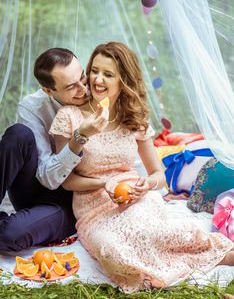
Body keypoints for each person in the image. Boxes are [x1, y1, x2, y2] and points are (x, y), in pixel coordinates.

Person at [49, 41, 234, 293]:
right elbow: (66, 180)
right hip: (92, 206)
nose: (97, 79)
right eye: (94, 70)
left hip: (134, 197)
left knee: (155, 233)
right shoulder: (69, 117)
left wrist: (145, 185)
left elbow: (159, 176)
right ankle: (173, 267)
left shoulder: (133, 117)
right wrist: (106, 183)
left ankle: (220, 254)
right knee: (113, 251)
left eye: (108, 74)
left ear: (123, 79)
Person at [0, 47, 108, 251]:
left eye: (82, 78)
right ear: (48, 90)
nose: (83, 89)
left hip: (68, 200)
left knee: (11, 235)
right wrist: (79, 137)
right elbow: (46, 176)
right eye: (71, 87)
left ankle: (14, 226)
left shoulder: (101, 98)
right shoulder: (33, 106)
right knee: (17, 134)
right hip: (38, 183)